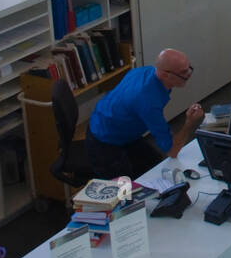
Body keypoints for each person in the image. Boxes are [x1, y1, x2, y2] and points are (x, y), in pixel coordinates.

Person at [86, 48, 205, 179]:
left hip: (112, 124)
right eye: (183, 72)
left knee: (156, 167)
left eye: (189, 68)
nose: (188, 74)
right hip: (105, 141)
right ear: (166, 75)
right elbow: (172, 151)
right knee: (127, 191)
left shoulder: (147, 72)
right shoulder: (148, 101)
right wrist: (190, 123)